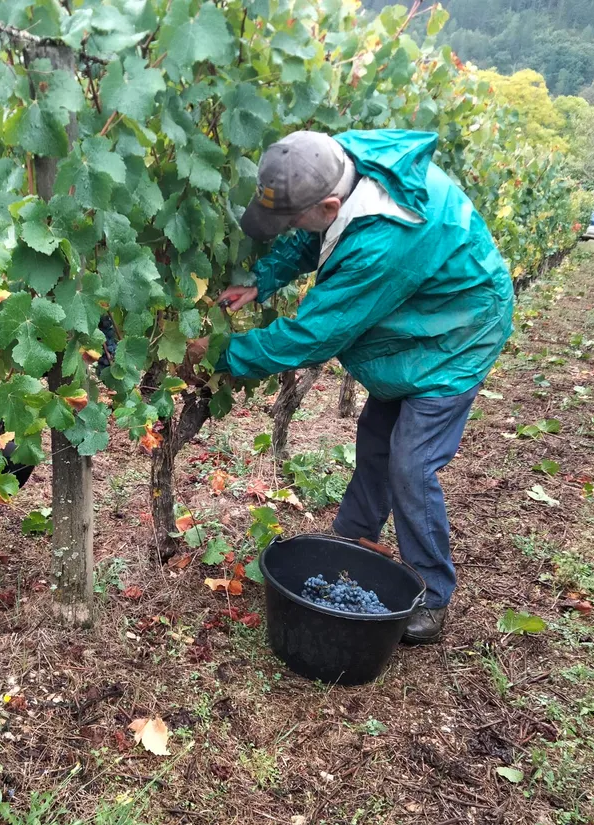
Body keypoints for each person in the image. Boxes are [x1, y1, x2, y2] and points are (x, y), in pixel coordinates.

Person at [187, 129, 514, 643]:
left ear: (332, 203)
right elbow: (312, 233)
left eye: (293, 217)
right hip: (415, 318)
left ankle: (431, 591)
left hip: (458, 331)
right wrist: (263, 278)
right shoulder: (337, 157)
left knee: (412, 461)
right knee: (378, 435)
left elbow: (314, 335)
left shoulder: (386, 239)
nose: (291, 228)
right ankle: (356, 536)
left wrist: (224, 356)